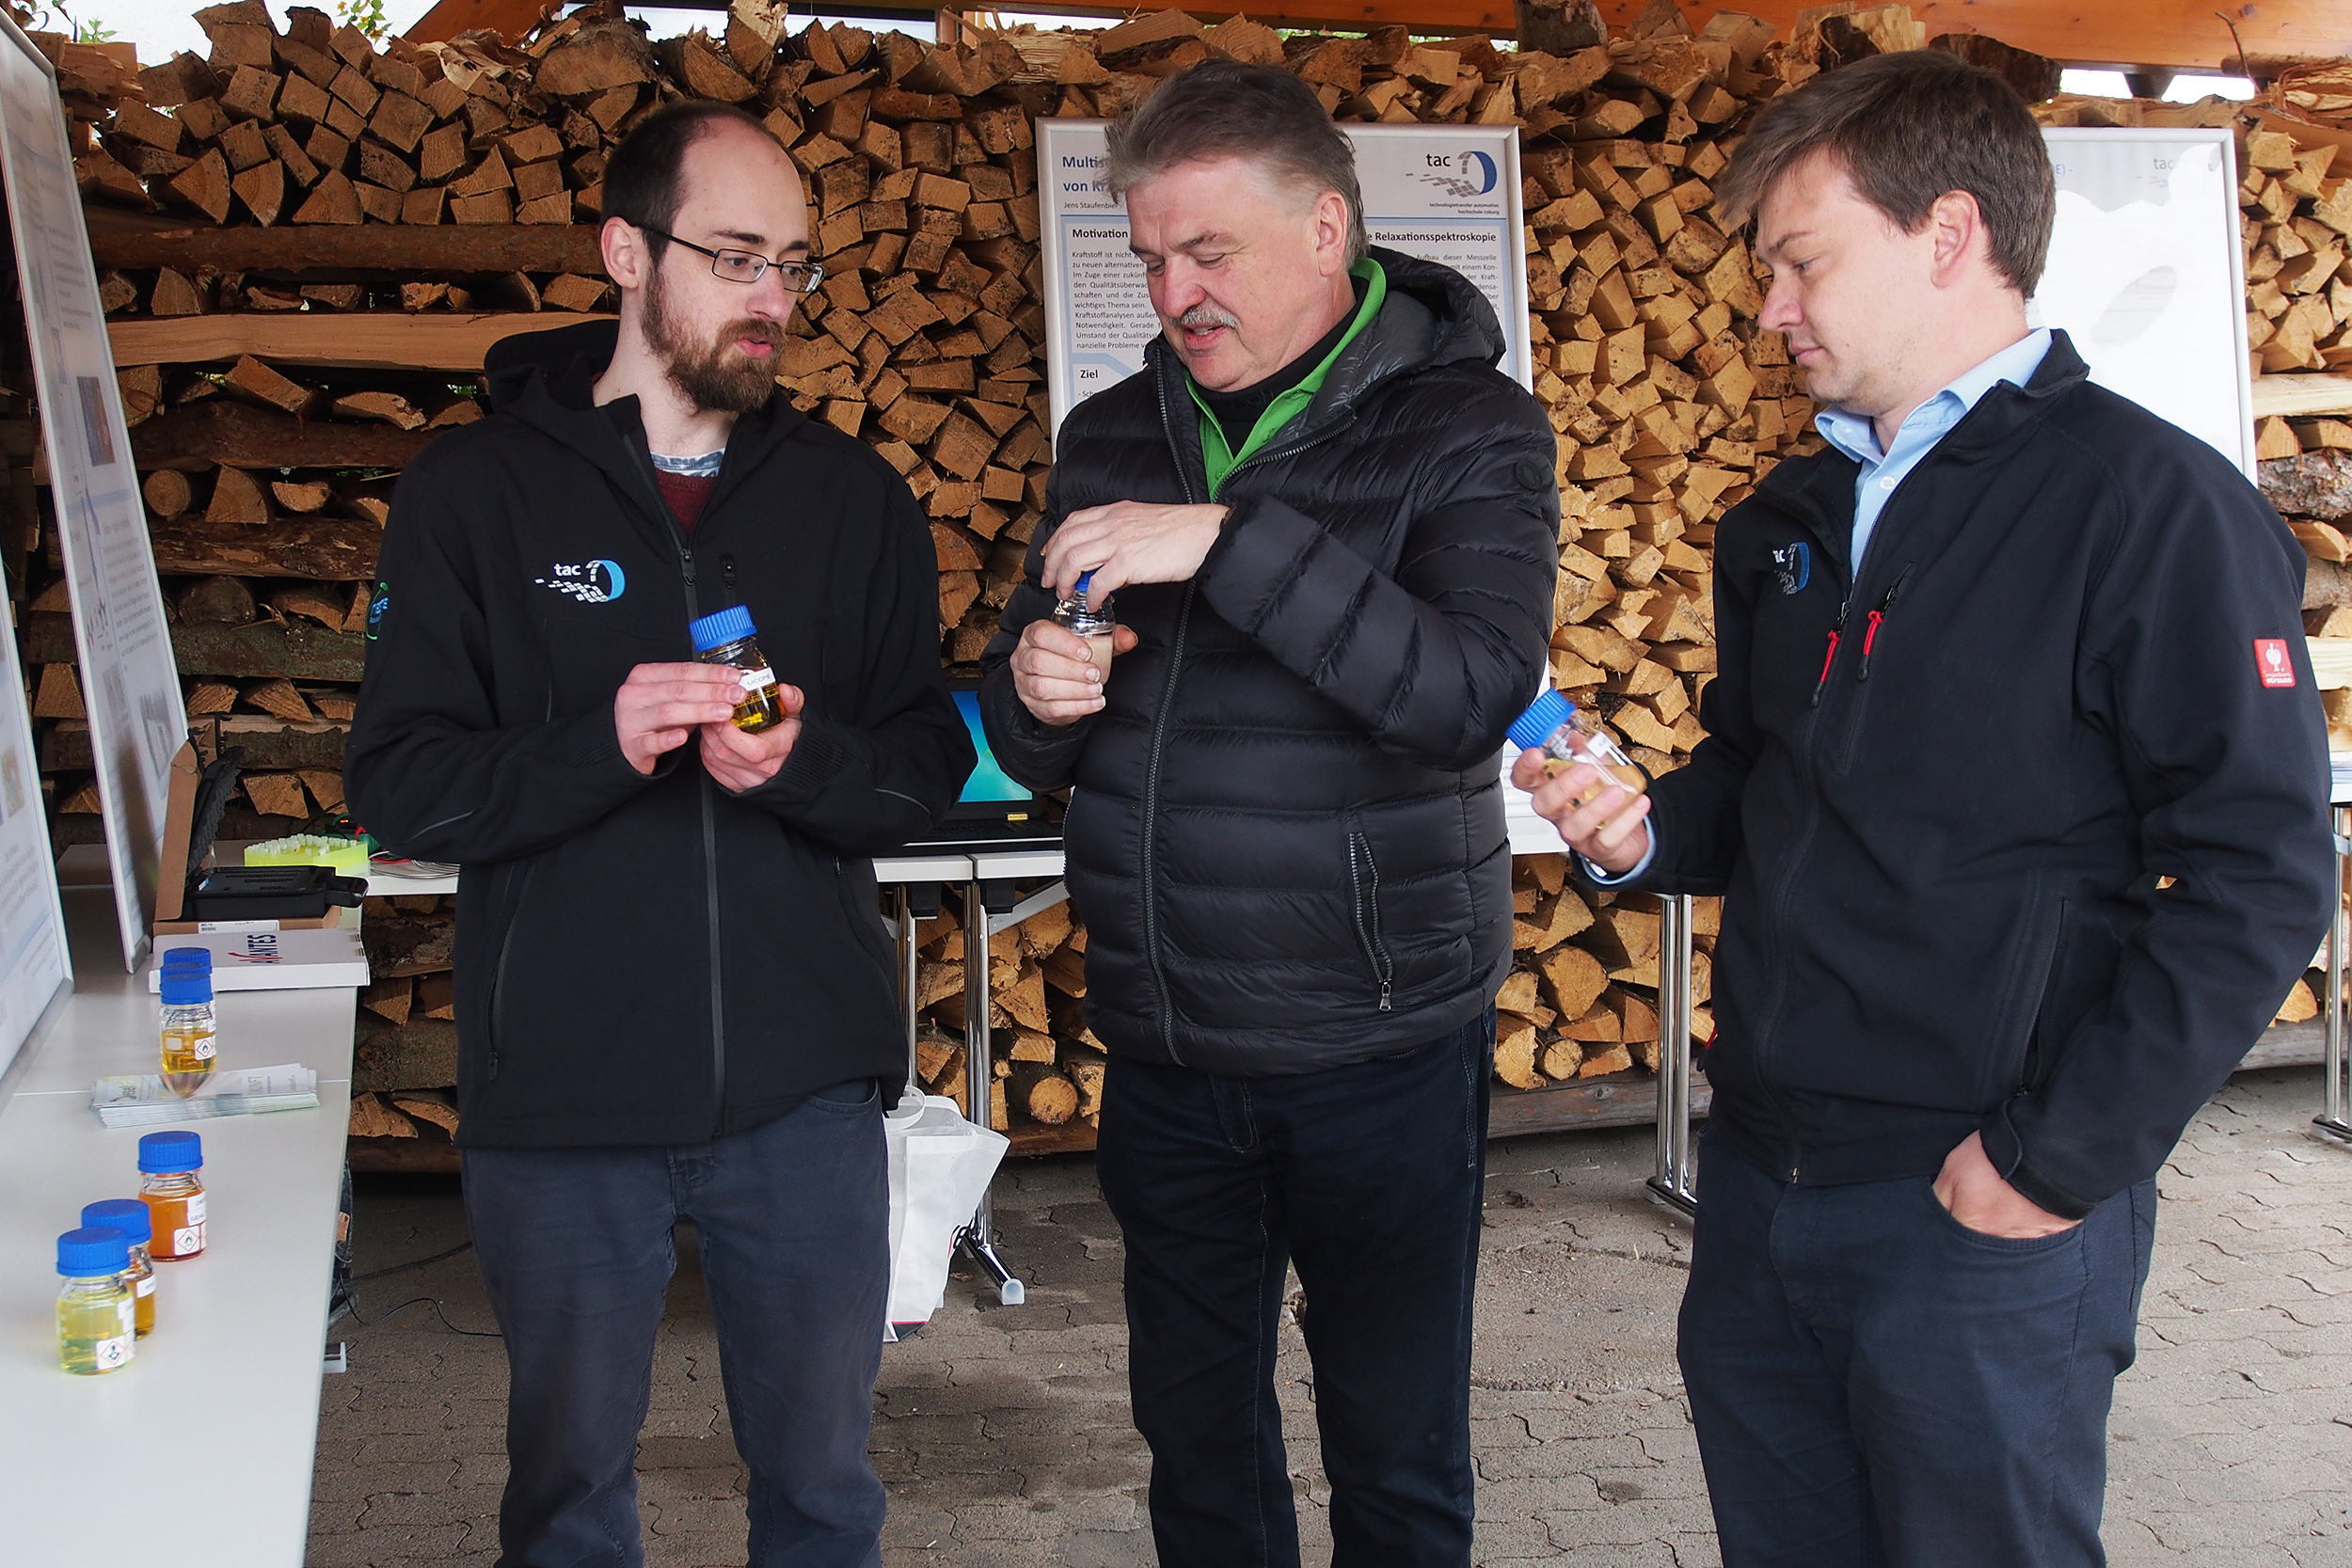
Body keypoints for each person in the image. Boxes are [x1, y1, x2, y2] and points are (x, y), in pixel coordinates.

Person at [1520, 49, 2334, 1568]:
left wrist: (2049, 1163)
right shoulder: (1787, 521)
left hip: (1978, 1200)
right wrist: (1639, 835)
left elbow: (2259, 876)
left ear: (1949, 234)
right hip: (1758, 1183)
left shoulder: (2149, 506)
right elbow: (1767, 782)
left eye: (1800, 260)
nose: (1771, 307)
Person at [343, 102, 973, 1568]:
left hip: (806, 1100)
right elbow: (401, 785)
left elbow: (930, 767)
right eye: (737, 257)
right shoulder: (471, 493)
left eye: (795, 268)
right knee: (566, 1503)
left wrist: (804, 761)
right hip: (560, 1108)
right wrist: (598, 746)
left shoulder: (854, 501)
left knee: (824, 1496)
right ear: (627, 252)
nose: (772, 299)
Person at [978, 60, 1559, 1568]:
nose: (1173, 291)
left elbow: (1468, 696)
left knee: (1395, 1434)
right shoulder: (1112, 433)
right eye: (1150, 258)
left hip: (1375, 1041)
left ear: (1326, 228)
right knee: (1196, 1434)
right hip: (1169, 1042)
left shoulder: (1473, 429)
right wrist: (1036, 692)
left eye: (1208, 252)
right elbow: (1027, 725)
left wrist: (1230, 544)